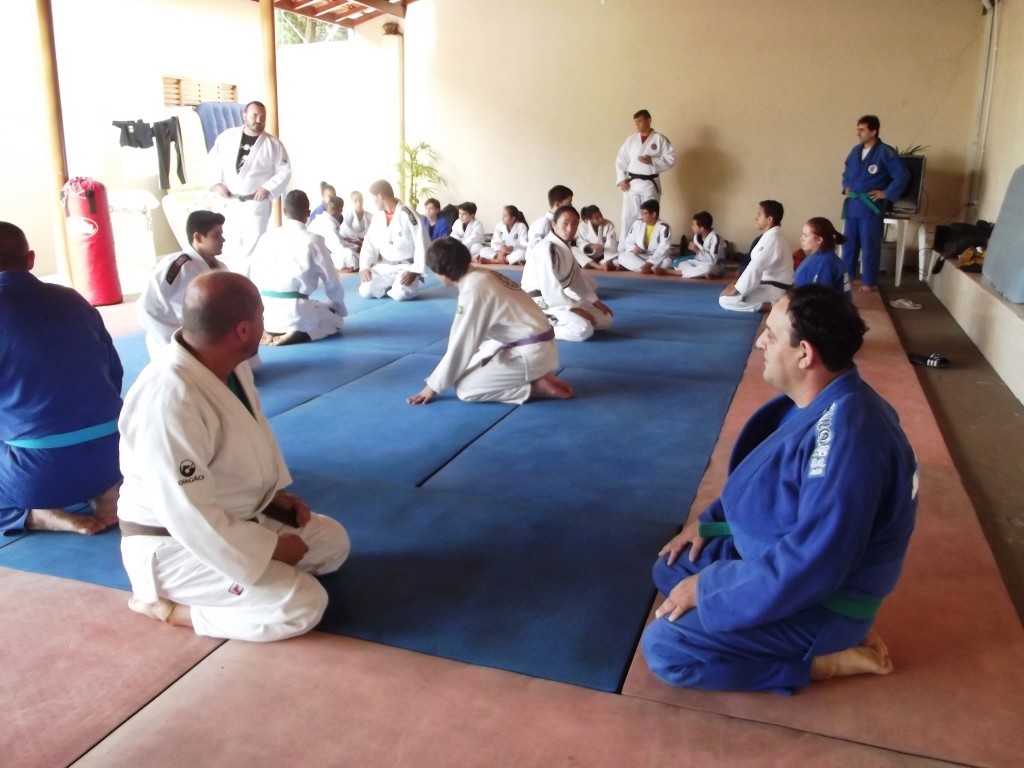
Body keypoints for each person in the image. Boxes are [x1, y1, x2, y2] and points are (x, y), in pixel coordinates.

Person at [642, 284, 918, 693]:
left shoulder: (847, 441)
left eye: (770, 334)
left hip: (823, 601)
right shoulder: (825, 399)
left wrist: (712, 589)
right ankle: (754, 620)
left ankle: (819, 662)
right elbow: (766, 484)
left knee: (667, 647)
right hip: (783, 556)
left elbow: (813, 564)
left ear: (805, 354)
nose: (759, 343)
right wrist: (708, 524)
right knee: (672, 566)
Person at [118, 271, 351, 642]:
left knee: (333, 542)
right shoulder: (169, 399)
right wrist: (270, 549)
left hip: (236, 517)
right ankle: (170, 609)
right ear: (243, 330)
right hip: (174, 543)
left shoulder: (229, 366)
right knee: (302, 603)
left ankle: (250, 579)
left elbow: (248, 441)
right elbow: (188, 513)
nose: (265, 323)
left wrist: (272, 497)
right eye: (261, 314)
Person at [0, 222, 122, 535]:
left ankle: (32, 515)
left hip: (39, 475)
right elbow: (113, 374)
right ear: (30, 260)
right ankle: (107, 492)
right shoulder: (73, 299)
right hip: (118, 456)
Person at [407, 239, 573, 405]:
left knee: (466, 388)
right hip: (538, 344)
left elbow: (462, 343)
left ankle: (534, 388)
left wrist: (432, 387)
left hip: (531, 351)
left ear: (441, 274)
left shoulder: (475, 288)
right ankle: (538, 374)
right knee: (472, 361)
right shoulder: (480, 274)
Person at [248, 190, 347, 346]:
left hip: (265, 312)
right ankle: (303, 333)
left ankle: (270, 331)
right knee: (336, 321)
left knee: (318, 305)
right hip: (296, 313)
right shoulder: (314, 241)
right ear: (308, 213)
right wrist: (338, 307)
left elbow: (253, 274)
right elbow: (331, 281)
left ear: (285, 212)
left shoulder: (266, 238)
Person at [207, 101, 291, 271]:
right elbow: (213, 162)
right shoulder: (226, 138)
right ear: (244, 116)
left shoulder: (273, 145)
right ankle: (233, 280)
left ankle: (249, 284)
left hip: (256, 203)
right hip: (230, 200)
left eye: (262, 117)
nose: (258, 120)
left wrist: (268, 188)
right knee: (230, 243)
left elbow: (285, 171)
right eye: (254, 115)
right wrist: (216, 183)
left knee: (253, 246)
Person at [138, 210, 227, 359]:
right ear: (198, 237)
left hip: (206, 337)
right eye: (216, 235)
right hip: (177, 342)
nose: (223, 240)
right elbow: (148, 307)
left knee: (248, 366)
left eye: (221, 234)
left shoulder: (220, 267)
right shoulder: (179, 266)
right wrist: (175, 344)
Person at [521, 205, 614, 342]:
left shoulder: (564, 246)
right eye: (565, 223)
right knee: (583, 330)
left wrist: (595, 302)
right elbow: (550, 288)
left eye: (574, 223)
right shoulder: (547, 249)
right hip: (540, 301)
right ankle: (537, 327)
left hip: (558, 298)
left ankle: (562, 319)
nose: (570, 228)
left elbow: (577, 280)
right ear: (554, 224)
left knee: (605, 319)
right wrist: (573, 308)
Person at [841, 115, 910, 292]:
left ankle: (869, 282)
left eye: (862, 129)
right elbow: (847, 172)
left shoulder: (885, 152)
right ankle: (847, 279)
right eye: (857, 129)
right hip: (853, 204)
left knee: (869, 245)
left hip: (870, 206)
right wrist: (846, 186)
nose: (858, 133)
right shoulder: (855, 151)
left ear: (874, 131)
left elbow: (902, 175)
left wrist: (886, 193)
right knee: (849, 245)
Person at [358, 179, 429, 301]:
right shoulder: (378, 217)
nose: (374, 202)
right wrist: (365, 266)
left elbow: (422, 243)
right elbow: (369, 243)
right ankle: (389, 286)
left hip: (406, 268)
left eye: (373, 198)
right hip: (383, 268)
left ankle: (396, 286)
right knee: (365, 290)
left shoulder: (408, 214)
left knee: (401, 293)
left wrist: (416, 271)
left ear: (380, 196)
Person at [719, 200, 793, 312]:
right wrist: (737, 286)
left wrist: (737, 289)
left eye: (759, 214)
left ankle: (771, 306)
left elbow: (756, 267)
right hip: (769, 286)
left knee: (725, 300)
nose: (756, 218)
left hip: (775, 290)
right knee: (726, 296)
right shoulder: (770, 236)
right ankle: (770, 304)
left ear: (769, 219)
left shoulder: (773, 239)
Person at [616, 109, 676, 237]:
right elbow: (621, 160)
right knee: (628, 216)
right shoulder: (631, 140)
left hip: (650, 184)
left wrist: (652, 161)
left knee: (649, 217)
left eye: (640, 121)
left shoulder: (659, 139)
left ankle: (649, 246)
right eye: (636, 122)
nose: (637, 124)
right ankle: (625, 248)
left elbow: (671, 159)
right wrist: (621, 179)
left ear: (649, 120)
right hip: (631, 184)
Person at [794, 217, 852, 297]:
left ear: (819, 240)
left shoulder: (824, 264)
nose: (800, 239)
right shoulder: (824, 257)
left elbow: (818, 298)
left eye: (805, 236)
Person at [618, 199, 673, 274]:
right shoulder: (637, 223)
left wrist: (650, 262)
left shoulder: (664, 227)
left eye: (644, 213)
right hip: (640, 256)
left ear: (653, 214)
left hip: (656, 257)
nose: (642, 216)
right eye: (641, 213)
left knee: (667, 262)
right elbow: (628, 241)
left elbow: (663, 248)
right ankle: (651, 269)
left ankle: (637, 268)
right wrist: (633, 248)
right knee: (622, 256)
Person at [308, 195, 358, 272]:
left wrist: (349, 242)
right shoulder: (329, 224)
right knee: (352, 257)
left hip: (314, 256)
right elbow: (338, 247)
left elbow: (336, 242)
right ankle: (339, 269)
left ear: (326, 207)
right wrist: (356, 246)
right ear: (341, 211)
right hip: (317, 258)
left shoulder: (319, 220)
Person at [677, 211, 726, 279]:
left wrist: (697, 250)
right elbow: (698, 258)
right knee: (680, 263)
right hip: (700, 263)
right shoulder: (696, 237)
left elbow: (713, 261)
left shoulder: (716, 238)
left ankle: (676, 272)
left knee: (708, 268)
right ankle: (703, 274)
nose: (692, 227)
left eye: (694, 225)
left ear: (701, 228)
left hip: (715, 265)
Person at [577, 205, 619, 270]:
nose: (601, 219)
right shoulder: (582, 226)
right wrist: (590, 246)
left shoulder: (608, 224)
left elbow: (611, 242)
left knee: (620, 259)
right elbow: (580, 242)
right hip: (589, 256)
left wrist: (607, 259)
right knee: (574, 249)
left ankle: (605, 263)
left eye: (601, 216)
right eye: (597, 218)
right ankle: (597, 266)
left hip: (605, 254)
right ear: (589, 219)